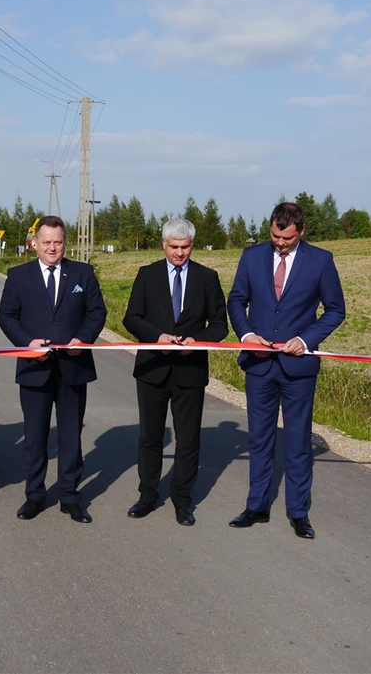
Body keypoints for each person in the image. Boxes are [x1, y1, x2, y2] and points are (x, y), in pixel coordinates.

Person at [227, 202, 346, 539]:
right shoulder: (251, 257)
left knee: (297, 442)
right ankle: (256, 507)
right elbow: (236, 300)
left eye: (287, 238)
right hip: (259, 366)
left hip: (299, 369)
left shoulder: (321, 261)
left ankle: (298, 513)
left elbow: (336, 310)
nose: (280, 242)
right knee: (260, 439)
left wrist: (305, 339)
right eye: (276, 235)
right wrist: (247, 334)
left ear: (301, 231)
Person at [0, 215, 107, 524]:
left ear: (64, 242)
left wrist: (83, 339)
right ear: (35, 244)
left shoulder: (83, 274)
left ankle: (70, 497)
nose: (52, 248)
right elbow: (7, 316)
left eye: (58, 242)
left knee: (71, 434)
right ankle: (34, 494)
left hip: (74, 366)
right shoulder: (18, 276)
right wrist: (26, 342)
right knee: (35, 435)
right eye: (46, 242)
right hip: (35, 367)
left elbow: (97, 312)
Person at [122, 218, 228, 526]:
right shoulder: (147, 275)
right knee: (150, 438)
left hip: (190, 371)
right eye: (174, 247)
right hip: (152, 369)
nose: (179, 253)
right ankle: (147, 496)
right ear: (163, 245)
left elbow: (220, 324)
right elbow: (132, 318)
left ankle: (183, 501)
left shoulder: (208, 278)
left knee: (188, 440)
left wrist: (199, 342)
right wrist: (157, 337)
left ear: (192, 245)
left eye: (185, 247)